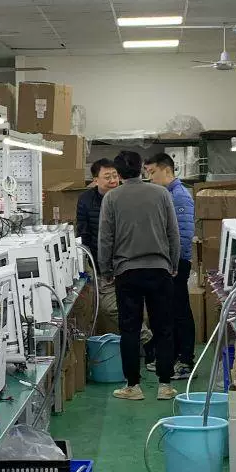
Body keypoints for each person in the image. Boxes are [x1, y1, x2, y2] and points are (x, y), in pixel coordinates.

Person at [96, 148, 181, 402]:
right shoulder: (161, 193)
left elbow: (105, 238)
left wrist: (105, 269)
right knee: (163, 327)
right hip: (160, 269)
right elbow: (173, 232)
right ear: (142, 168)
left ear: (119, 173)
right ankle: (165, 385)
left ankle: (133, 386)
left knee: (130, 330)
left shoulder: (111, 198)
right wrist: (173, 263)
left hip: (127, 272)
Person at [146, 153, 196, 364]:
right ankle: (174, 356)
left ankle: (185, 359)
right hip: (169, 263)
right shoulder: (167, 195)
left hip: (177, 263)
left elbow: (183, 235)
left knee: (180, 311)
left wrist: (174, 264)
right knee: (170, 311)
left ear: (166, 170)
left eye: (152, 172)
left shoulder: (179, 196)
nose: (150, 178)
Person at [76, 157, 118, 265]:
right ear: (95, 180)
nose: (113, 181)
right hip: (97, 257)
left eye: (115, 176)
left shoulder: (126, 196)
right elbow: (83, 232)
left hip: (124, 258)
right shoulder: (85, 199)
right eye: (107, 177)